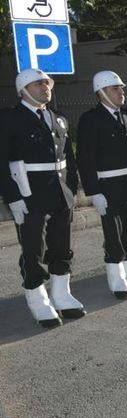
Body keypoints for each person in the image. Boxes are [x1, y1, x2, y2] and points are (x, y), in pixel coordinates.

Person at [0, 69, 83, 328]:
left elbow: (68, 157)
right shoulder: (9, 119)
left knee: (61, 244)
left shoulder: (58, 118)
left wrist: (72, 188)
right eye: (38, 84)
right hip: (29, 193)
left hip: (59, 192)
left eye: (46, 83)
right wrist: (12, 197)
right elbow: (2, 162)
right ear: (23, 89)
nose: (45, 87)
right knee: (33, 248)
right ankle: (37, 298)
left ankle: (61, 294)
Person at [77, 70, 127, 299]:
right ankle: (116, 276)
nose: (122, 91)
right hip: (108, 186)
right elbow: (85, 159)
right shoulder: (91, 120)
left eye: (121, 88)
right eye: (115, 88)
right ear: (101, 93)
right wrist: (94, 192)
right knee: (114, 233)